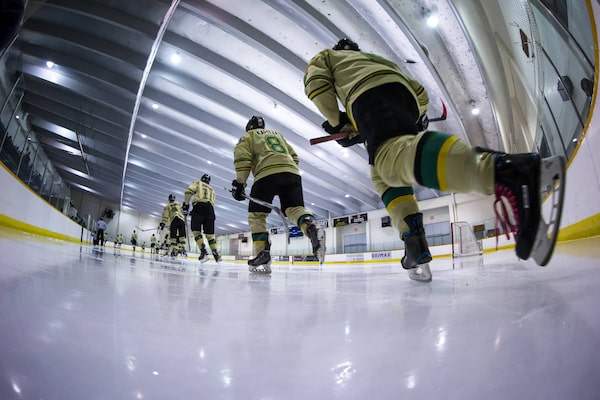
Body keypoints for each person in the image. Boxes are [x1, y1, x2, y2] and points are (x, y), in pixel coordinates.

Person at [303, 38, 565, 281]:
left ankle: (506, 172)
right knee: (381, 174)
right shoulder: (376, 60)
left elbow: (316, 83)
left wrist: (338, 122)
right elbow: (420, 93)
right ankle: (414, 243)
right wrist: (415, 119)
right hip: (402, 95)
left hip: (367, 95)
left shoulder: (328, 56)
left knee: (390, 159)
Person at [231, 116, 326, 273]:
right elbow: (294, 157)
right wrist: (285, 168)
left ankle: (262, 253)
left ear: (249, 127)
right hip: (291, 172)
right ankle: (311, 226)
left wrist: (240, 183)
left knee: (256, 215)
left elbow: (242, 158)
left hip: (265, 175)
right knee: (294, 209)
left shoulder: (248, 136)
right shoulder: (278, 134)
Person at [183, 174, 221, 263]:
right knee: (210, 235)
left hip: (199, 206)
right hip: (210, 210)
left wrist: (186, 205)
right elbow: (212, 202)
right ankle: (215, 252)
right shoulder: (212, 190)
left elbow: (188, 192)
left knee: (196, 231)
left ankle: (203, 252)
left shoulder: (198, 183)